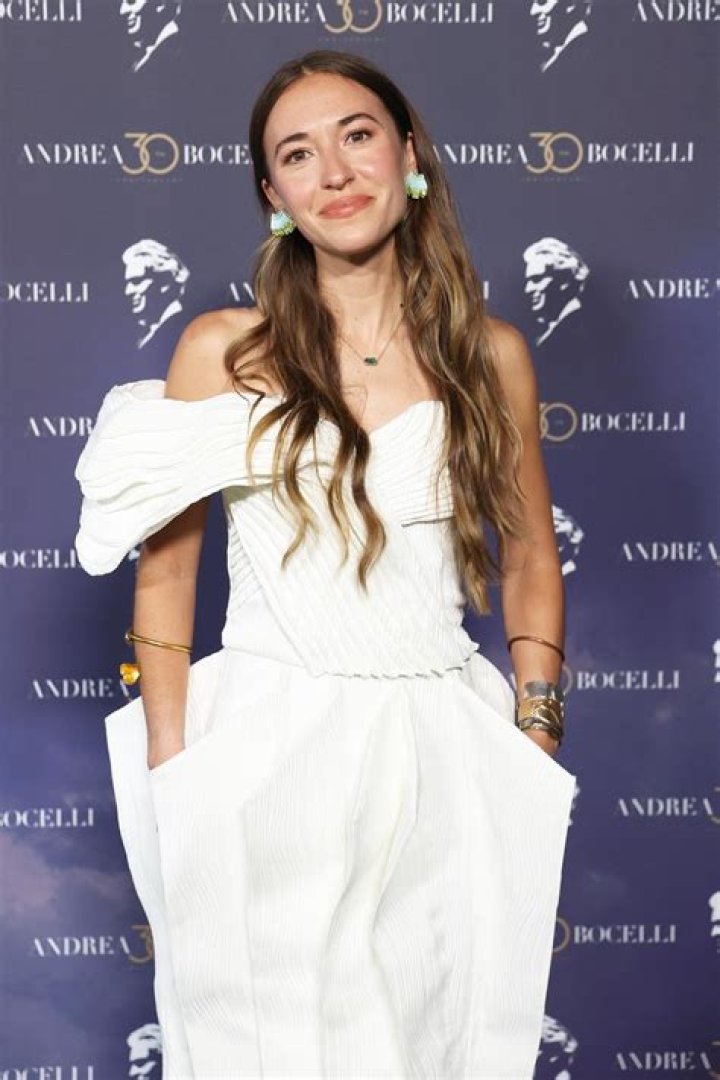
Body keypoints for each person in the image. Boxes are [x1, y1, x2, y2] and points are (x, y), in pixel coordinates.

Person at [74, 48, 577, 1080]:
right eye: (297, 155)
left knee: (437, 1042)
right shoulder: (223, 350)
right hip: (265, 746)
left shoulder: (491, 356)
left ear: (410, 157)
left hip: (444, 751)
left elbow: (530, 556)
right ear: (274, 196)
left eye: (357, 137)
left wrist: (534, 730)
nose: (335, 173)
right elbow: (166, 578)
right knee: (266, 1047)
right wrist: (177, 771)